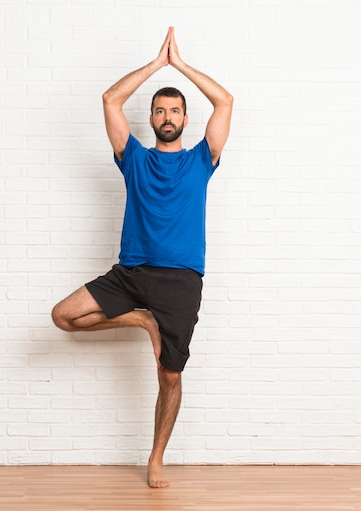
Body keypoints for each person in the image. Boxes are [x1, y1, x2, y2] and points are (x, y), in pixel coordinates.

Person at [51, 26, 233, 488]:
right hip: (130, 274)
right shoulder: (133, 157)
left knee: (169, 376)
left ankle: (156, 458)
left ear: (185, 119)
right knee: (63, 316)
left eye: (174, 110)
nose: (167, 115)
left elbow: (226, 101)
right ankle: (142, 321)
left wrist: (182, 66)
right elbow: (111, 98)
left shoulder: (201, 159)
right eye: (159, 109)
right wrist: (157, 64)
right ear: (150, 119)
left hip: (180, 281)